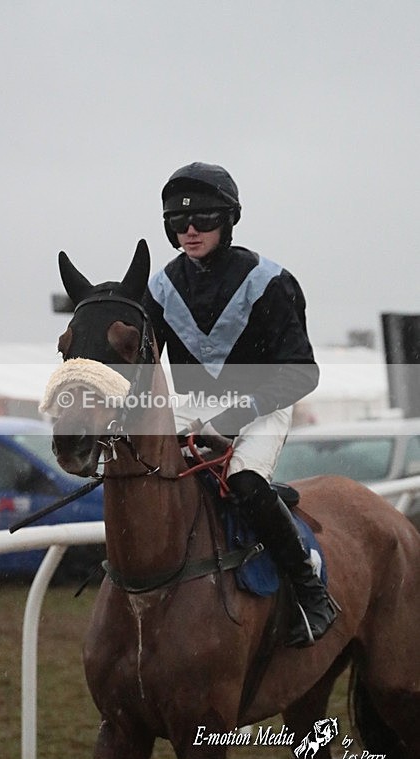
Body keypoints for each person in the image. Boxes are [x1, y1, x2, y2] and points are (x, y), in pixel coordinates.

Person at [143, 161, 337, 647]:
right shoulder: (160, 290)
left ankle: (310, 590)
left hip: (262, 404)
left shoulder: (270, 281)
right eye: (177, 222)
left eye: (203, 219)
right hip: (195, 409)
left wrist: (235, 415)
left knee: (245, 480)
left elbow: (302, 372)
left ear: (229, 220)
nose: (189, 230)